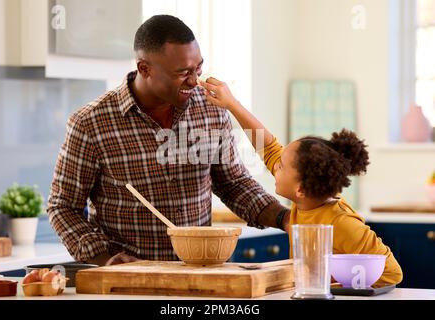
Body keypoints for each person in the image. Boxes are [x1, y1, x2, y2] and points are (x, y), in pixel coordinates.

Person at [47, 15, 289, 266]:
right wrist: (104, 258)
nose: (194, 81)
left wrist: (284, 219)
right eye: (183, 72)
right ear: (144, 68)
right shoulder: (91, 123)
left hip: (199, 274)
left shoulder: (211, 109)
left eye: (198, 69)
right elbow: (62, 207)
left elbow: (234, 184)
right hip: (128, 283)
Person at [199, 77, 403, 286]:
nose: (274, 164)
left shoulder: (342, 223)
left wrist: (332, 282)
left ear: (301, 189)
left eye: (281, 166)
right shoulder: (306, 202)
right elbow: (267, 146)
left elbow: (392, 273)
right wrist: (232, 105)